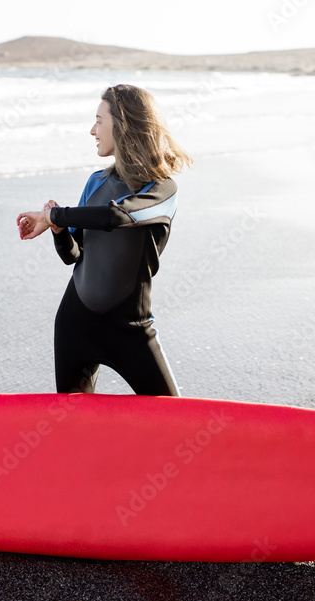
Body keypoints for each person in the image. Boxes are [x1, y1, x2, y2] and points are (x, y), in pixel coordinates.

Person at [17, 84, 192, 396]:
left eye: (99, 121)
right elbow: (74, 255)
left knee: (173, 417)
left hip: (131, 331)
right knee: (75, 428)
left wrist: (54, 217)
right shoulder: (96, 182)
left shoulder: (162, 191)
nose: (92, 130)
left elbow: (117, 217)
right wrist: (58, 232)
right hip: (75, 326)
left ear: (123, 125)